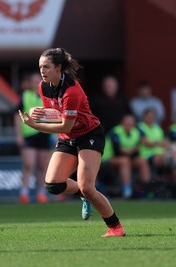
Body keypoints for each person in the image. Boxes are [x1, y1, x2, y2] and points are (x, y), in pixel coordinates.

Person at [18, 47, 125, 237]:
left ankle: (115, 227)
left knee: (87, 187)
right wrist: (42, 114)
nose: (42, 71)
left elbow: (65, 126)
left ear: (58, 68)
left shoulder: (72, 90)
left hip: (88, 134)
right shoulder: (43, 87)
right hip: (69, 138)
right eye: (40, 67)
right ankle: (85, 196)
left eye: (46, 67)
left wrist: (36, 125)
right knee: (53, 185)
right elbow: (56, 114)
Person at [14, 72, 52, 204]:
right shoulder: (24, 96)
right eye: (33, 81)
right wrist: (19, 135)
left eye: (38, 80)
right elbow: (16, 116)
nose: (36, 83)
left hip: (44, 134)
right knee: (29, 164)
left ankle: (41, 193)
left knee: (42, 166)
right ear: (29, 83)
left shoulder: (47, 96)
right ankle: (24, 192)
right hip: (29, 135)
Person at [102, 114, 151, 199]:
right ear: (122, 123)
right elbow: (117, 151)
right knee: (124, 160)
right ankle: (127, 190)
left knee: (142, 161)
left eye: (131, 123)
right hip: (107, 159)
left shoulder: (136, 132)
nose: (129, 125)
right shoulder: (116, 132)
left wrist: (130, 151)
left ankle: (146, 189)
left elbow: (137, 150)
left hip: (127, 158)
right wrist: (130, 151)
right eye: (127, 122)